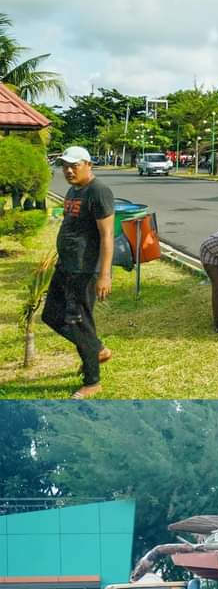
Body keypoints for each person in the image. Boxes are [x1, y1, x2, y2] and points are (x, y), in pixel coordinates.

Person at [42, 146, 114, 399]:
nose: (68, 170)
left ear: (88, 164)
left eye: (74, 165)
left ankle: (92, 381)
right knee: (51, 316)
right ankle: (98, 349)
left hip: (84, 270)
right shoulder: (74, 190)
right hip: (66, 265)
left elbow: (107, 236)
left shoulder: (99, 191)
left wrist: (104, 275)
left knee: (78, 322)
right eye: (65, 166)